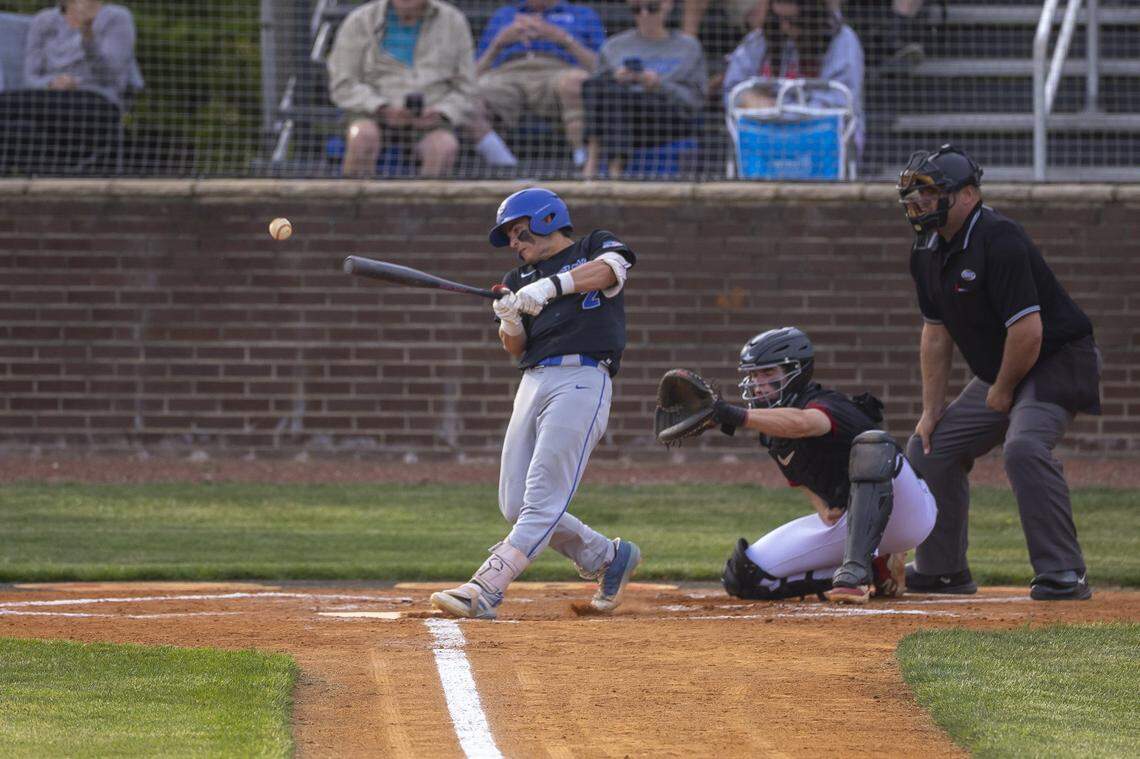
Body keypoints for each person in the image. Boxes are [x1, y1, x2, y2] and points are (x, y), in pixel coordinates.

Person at [900, 145, 1101, 601]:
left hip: (1057, 359)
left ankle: (1063, 572)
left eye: (931, 194)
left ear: (968, 195)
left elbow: (1029, 331)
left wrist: (1004, 389)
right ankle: (942, 569)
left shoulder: (1000, 238)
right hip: (1006, 368)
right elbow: (935, 334)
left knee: (1025, 446)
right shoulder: (926, 250)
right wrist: (931, 411)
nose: (920, 205)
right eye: (915, 195)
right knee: (929, 449)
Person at [430, 188, 641, 620]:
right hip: (533, 381)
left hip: (582, 378)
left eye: (518, 232)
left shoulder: (592, 245)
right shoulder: (515, 279)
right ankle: (606, 556)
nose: (514, 243)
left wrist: (552, 286)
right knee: (514, 504)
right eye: (509, 235)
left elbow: (609, 271)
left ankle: (486, 588)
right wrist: (508, 317)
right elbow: (515, 346)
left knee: (542, 501)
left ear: (547, 220)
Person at [692, 327, 937, 604]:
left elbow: (803, 423)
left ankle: (854, 574)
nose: (757, 384)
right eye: (753, 375)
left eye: (768, 373)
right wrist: (824, 509)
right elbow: (801, 481)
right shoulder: (771, 429)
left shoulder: (823, 403)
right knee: (745, 577)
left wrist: (733, 415)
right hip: (853, 521)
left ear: (796, 372)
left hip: (907, 510)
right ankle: (878, 566)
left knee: (873, 443)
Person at [326, 0, 475, 178]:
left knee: (444, 146)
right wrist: (382, 108)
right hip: (371, 111)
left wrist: (442, 112)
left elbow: (467, 88)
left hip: (431, 115)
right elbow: (343, 83)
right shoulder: (360, 20)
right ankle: (354, 203)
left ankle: (424, 204)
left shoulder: (454, 22)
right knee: (362, 135)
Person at [1, 0, 137, 175]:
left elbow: (111, 77)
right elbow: (30, 78)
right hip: (45, 99)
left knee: (8, 106)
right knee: (15, 129)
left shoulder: (117, 17)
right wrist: (51, 83)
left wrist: (88, 37)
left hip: (95, 100)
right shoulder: (44, 20)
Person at [466, 0, 605, 170]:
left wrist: (563, 38)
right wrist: (498, 43)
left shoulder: (582, 14)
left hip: (558, 71)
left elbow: (600, 68)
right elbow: (474, 73)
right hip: (507, 73)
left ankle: (581, 161)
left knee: (576, 82)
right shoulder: (504, 15)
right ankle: (507, 167)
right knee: (468, 97)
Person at [580, 0, 707, 179]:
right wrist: (617, 78)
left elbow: (695, 101)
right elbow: (598, 89)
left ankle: (608, 168)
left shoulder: (688, 47)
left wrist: (659, 84)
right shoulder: (614, 46)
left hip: (668, 118)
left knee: (616, 96)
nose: (644, 15)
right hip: (621, 117)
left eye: (652, 8)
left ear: (667, 5)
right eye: (637, 9)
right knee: (594, 85)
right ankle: (597, 161)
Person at [723, 0, 864, 159]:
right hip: (767, 143)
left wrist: (776, 109)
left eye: (792, 21)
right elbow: (733, 90)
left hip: (820, 144)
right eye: (779, 19)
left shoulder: (842, 40)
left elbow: (836, 103)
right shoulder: (760, 40)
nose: (784, 27)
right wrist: (746, 98)